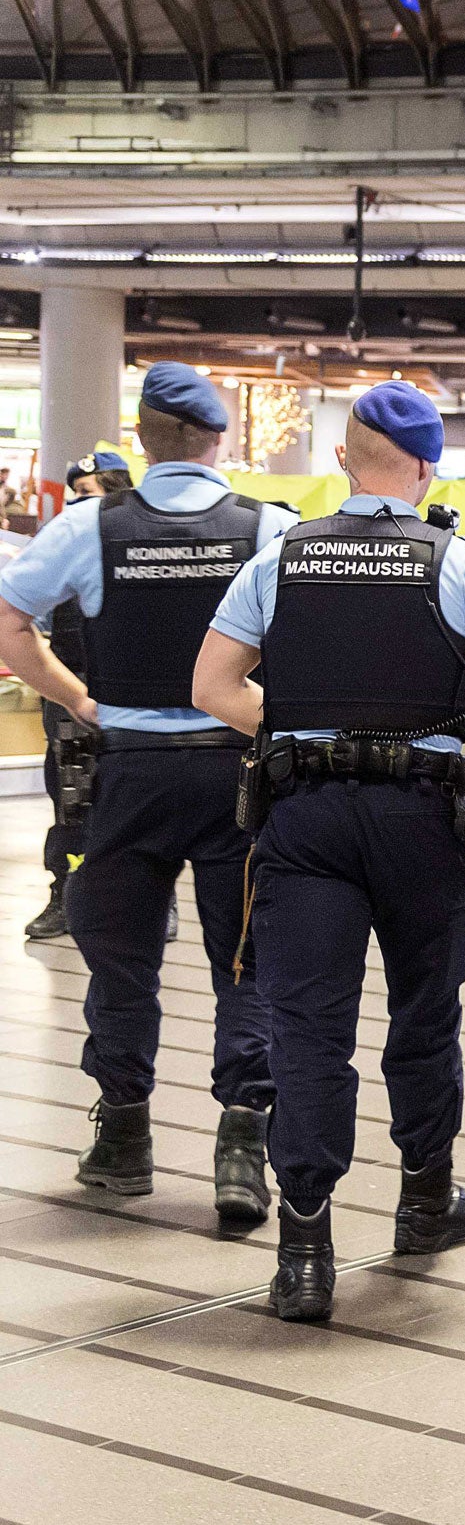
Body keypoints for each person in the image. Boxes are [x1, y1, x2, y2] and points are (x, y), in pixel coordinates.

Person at [192, 381, 465, 1321]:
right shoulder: (459, 562)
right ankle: (426, 1203)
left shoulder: (281, 558)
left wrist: (307, 728)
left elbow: (212, 684)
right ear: (428, 468)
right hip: (422, 822)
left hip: (303, 820)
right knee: (425, 1016)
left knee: (308, 1031)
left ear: (345, 460)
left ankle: (304, 1250)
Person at [0, 365, 290, 1225]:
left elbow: (11, 620)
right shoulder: (266, 528)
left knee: (121, 960)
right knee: (246, 959)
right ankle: (243, 1144)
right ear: (220, 438)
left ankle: (123, 1138)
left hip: (124, 775)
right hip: (237, 773)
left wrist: (75, 696)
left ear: (143, 435)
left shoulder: (89, 525)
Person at [22, 453, 137, 942]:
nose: (75, 502)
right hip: (72, 702)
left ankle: (153, 902)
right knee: (69, 805)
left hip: (132, 702)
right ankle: (64, 894)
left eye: (87, 492)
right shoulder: (63, 549)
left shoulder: (136, 547)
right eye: (74, 493)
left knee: (137, 801)